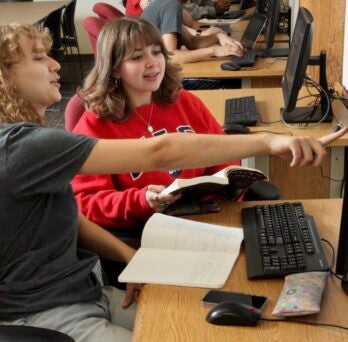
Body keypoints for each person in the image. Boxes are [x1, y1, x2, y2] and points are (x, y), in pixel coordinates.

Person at [0, 22, 346, 342]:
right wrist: (269, 141)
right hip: (47, 315)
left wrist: (130, 259)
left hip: (87, 292)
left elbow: (71, 216)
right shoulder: (22, 146)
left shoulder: (30, 141)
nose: (56, 65)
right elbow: (161, 152)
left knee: (207, 324)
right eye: (39, 57)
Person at [71, 16, 241, 232]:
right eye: (137, 57)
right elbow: (84, 202)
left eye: (156, 52)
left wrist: (224, 187)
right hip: (146, 230)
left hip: (206, 215)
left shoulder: (184, 101)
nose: (152, 63)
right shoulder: (96, 124)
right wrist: (142, 201)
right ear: (114, 68)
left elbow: (223, 155)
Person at [140, 0, 244, 65]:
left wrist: (219, 36)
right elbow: (171, 57)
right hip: (155, 79)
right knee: (232, 83)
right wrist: (213, 51)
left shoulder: (169, 4)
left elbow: (192, 42)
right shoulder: (171, 5)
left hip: (153, 71)